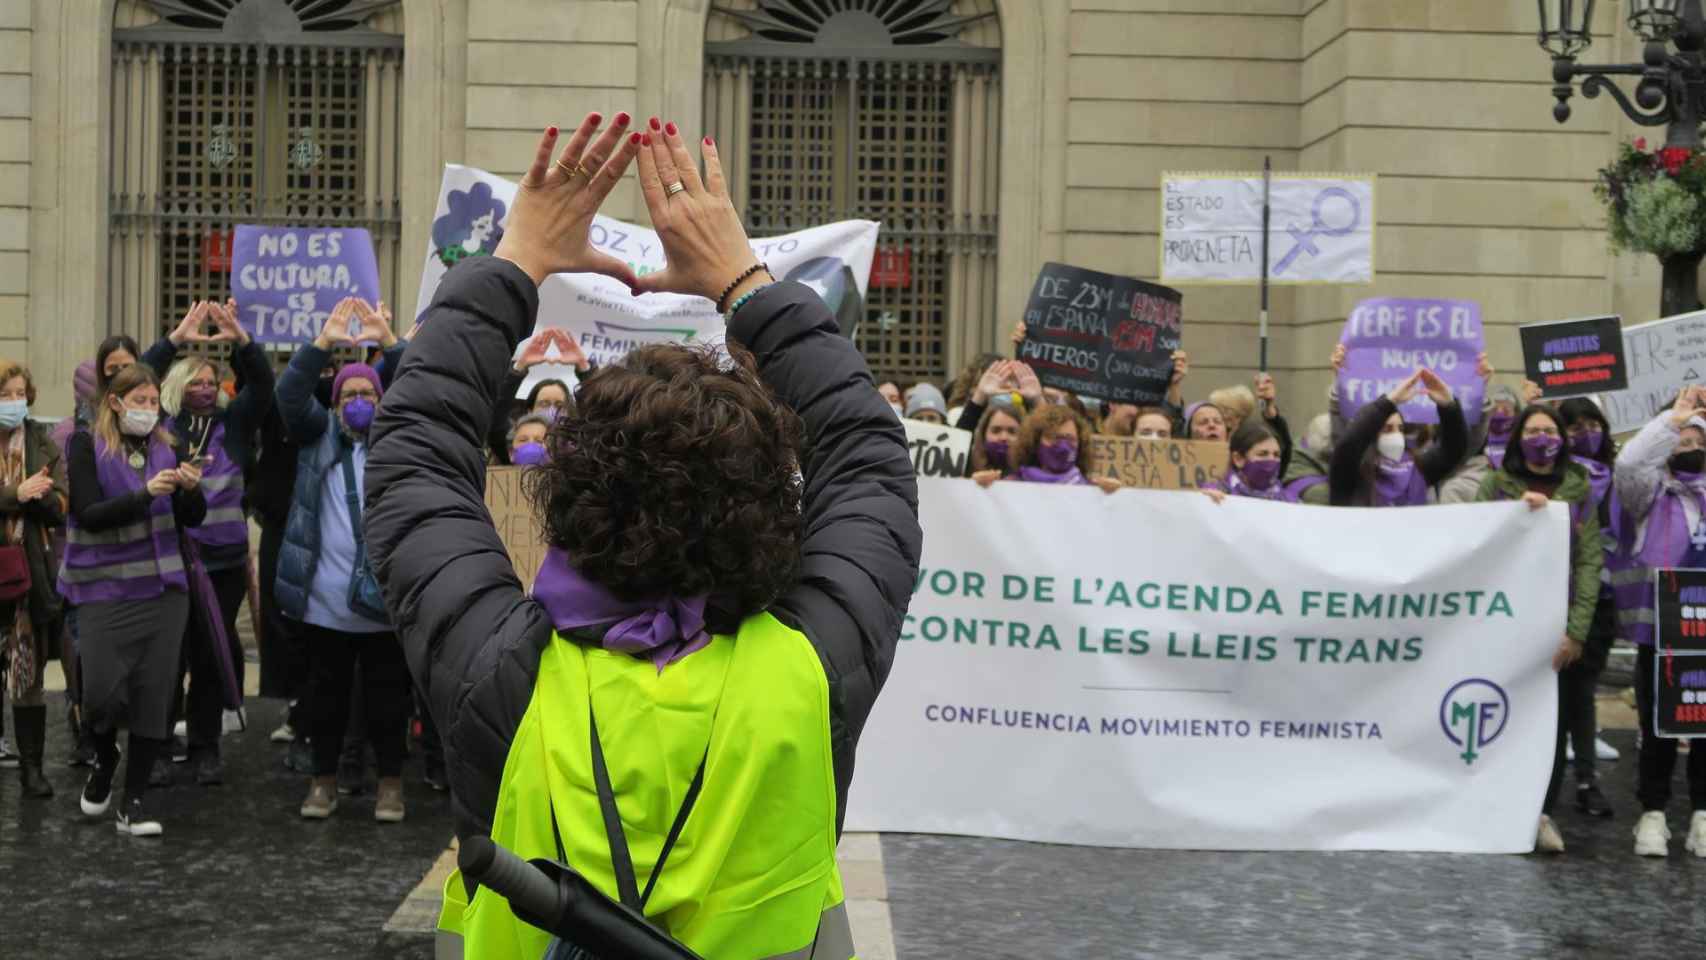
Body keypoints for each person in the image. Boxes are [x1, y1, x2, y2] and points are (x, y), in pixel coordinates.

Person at [364, 114, 920, 959]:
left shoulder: (499, 672)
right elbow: (871, 455)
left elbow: (414, 457)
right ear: (773, 505)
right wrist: (746, 285)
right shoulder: (812, 670)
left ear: (568, 496)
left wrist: (514, 263)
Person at [274, 296, 411, 824]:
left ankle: (391, 787)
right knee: (324, 701)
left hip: (386, 602)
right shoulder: (316, 439)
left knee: (388, 701)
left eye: (367, 394)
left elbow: (417, 391)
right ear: (334, 405)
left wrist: (388, 341)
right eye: (349, 395)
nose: (359, 401)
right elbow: (288, 395)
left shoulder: (397, 441)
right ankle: (322, 784)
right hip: (325, 600)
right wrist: (323, 341)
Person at [65, 364, 206, 837]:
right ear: (114, 402)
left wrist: (190, 491)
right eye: (138, 401)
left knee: (155, 694)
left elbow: (192, 518)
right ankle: (105, 757)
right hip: (105, 590)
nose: (148, 410)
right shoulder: (86, 445)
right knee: (100, 694)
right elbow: (87, 514)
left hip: (166, 593)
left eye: (153, 402)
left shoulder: (168, 447)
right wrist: (145, 494)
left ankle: (135, 803)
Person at [143, 298, 275, 785]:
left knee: (207, 652)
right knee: (168, 657)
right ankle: (156, 747)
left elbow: (262, 385)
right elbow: (138, 379)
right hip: (169, 560)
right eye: (193, 382)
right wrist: (176, 338)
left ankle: (205, 747)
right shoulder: (160, 426)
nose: (203, 389)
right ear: (177, 388)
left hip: (222, 561)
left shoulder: (233, 425)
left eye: (209, 382)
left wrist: (242, 339)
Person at [1474, 402, 1602, 855]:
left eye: (1550, 429)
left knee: (1552, 723)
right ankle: (1491, 806)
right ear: (1518, 439)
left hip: (1555, 624)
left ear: (1562, 440)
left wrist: (1578, 630)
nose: (1542, 437)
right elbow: (1474, 543)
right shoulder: (1495, 484)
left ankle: (1540, 812)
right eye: (1534, 429)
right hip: (1504, 623)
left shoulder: (1579, 489)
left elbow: (1588, 562)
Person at [1611, 387, 1706, 858]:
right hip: (1661, 635)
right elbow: (1629, 465)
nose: (1689, 451)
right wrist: (1673, 420)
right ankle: (1653, 813)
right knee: (1658, 726)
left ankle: (1702, 815)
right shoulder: (1648, 495)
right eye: (1679, 445)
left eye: (1696, 443)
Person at [0, 361, 66, 797]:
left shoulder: (43, 442)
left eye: (19, 393)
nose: (13, 402)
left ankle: (32, 768)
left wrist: (39, 497)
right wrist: (13, 495)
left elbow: (62, 505)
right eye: (5, 394)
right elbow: (18, 495)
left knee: (30, 677)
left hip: (28, 577)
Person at [1555, 396, 1618, 818]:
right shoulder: (1553, 476)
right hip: (1551, 598)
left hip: (1600, 600)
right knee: (1553, 697)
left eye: (1592, 423)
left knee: (1581, 694)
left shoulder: (1617, 476)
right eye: (1574, 426)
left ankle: (1586, 779)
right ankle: (1547, 781)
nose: (1585, 432)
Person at [1328, 370, 1467, 507]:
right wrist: (1389, 402)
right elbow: (1349, 443)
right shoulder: (1351, 473)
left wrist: (1449, 407)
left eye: (1400, 429)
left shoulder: (1417, 468)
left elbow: (1453, 449)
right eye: (1388, 429)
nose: (1396, 435)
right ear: (1372, 434)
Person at [1002, 405, 1121, 492]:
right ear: (1035, 442)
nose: (1063, 446)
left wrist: (1115, 494)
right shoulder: (1013, 484)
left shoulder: (1091, 489)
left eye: (1070, 439)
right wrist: (985, 488)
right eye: (1055, 437)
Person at [1440, 384, 1522, 504]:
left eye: (1505, 410)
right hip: (1477, 482)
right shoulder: (1478, 434)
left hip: (1514, 481)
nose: (1499, 414)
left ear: (1516, 414)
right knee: (1452, 489)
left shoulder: (1522, 435)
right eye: (1495, 409)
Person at [1202, 419, 1295, 503]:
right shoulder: (1214, 493)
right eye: (1262, 454)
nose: (1271, 460)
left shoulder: (1289, 500)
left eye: (1276, 455)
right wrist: (1205, 501)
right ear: (1238, 459)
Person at [968, 404, 1022, 485]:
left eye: (1012, 432)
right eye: (996, 431)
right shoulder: (966, 465)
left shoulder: (1032, 473)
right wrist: (971, 484)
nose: (1004, 438)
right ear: (984, 434)